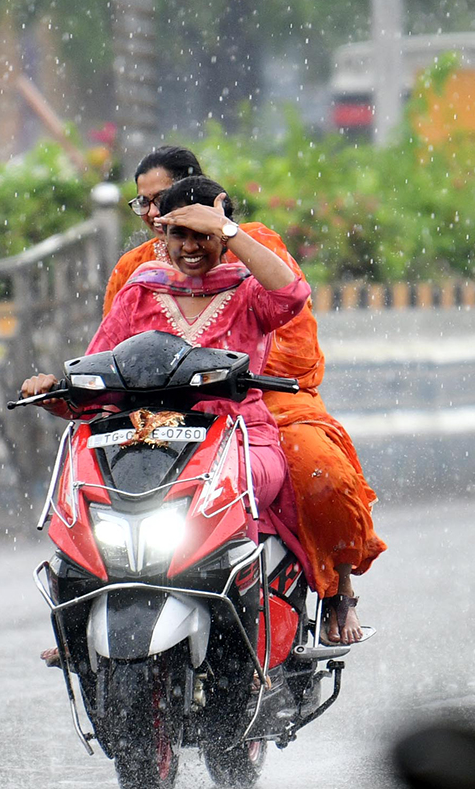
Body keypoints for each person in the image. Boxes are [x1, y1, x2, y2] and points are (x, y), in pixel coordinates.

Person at [102, 146, 387, 646]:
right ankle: (91, 604)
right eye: (143, 205)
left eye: (159, 201)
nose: (151, 214)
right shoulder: (137, 276)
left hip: (260, 403)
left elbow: (294, 340)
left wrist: (230, 375)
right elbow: (111, 354)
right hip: (162, 419)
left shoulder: (252, 258)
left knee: (318, 469)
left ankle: (334, 589)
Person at [22, 175, 311, 544]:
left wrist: (227, 226)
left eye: (202, 235)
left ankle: (243, 595)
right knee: (82, 500)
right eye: (179, 234)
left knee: (223, 490)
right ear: (163, 236)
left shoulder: (247, 291)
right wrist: (54, 393)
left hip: (239, 444)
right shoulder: (140, 291)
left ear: (222, 238)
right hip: (144, 448)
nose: (190, 246)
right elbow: (98, 378)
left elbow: (292, 294)